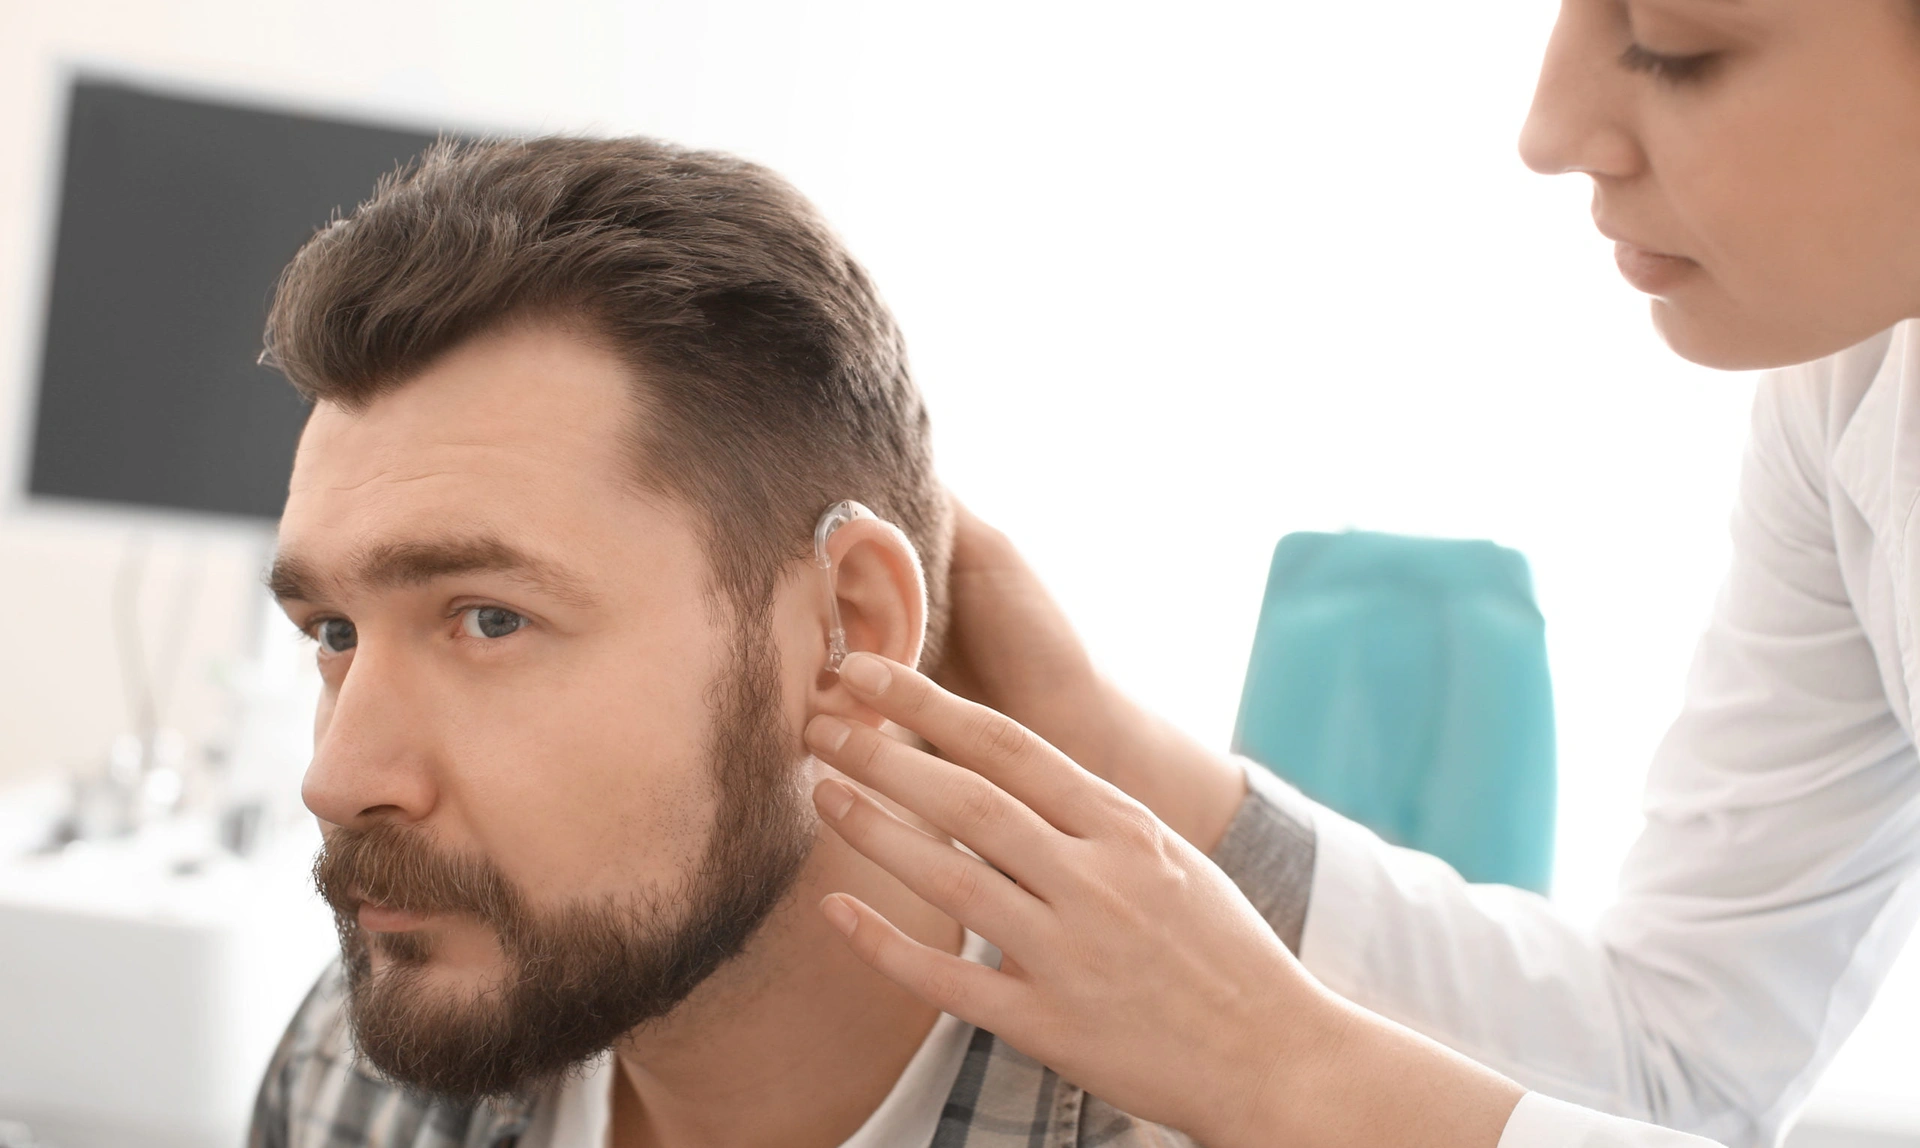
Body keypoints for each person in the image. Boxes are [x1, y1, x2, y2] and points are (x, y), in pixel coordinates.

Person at [799, 2, 1920, 1147]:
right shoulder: (1853, 375)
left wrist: (1278, 1070)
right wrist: (1118, 756)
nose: (1547, 128)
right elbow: (1679, 1062)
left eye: (1675, 45)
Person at [247, 136, 1286, 1148]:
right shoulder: (353, 1078)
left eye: (491, 618)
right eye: (333, 631)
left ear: (849, 634)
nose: (335, 778)